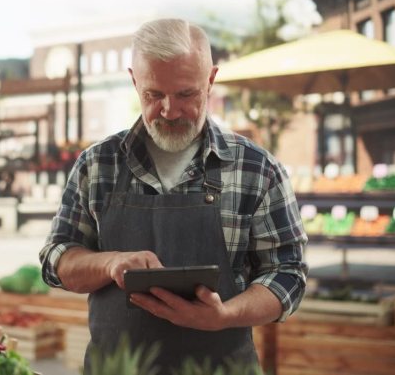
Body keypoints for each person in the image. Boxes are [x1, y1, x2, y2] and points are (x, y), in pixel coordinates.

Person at [40, 18, 308, 373]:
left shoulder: (257, 169)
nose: (169, 110)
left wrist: (226, 315)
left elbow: (288, 273)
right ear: (135, 80)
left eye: (186, 94)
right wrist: (109, 263)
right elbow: (56, 261)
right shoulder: (97, 165)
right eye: (153, 95)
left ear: (210, 80)